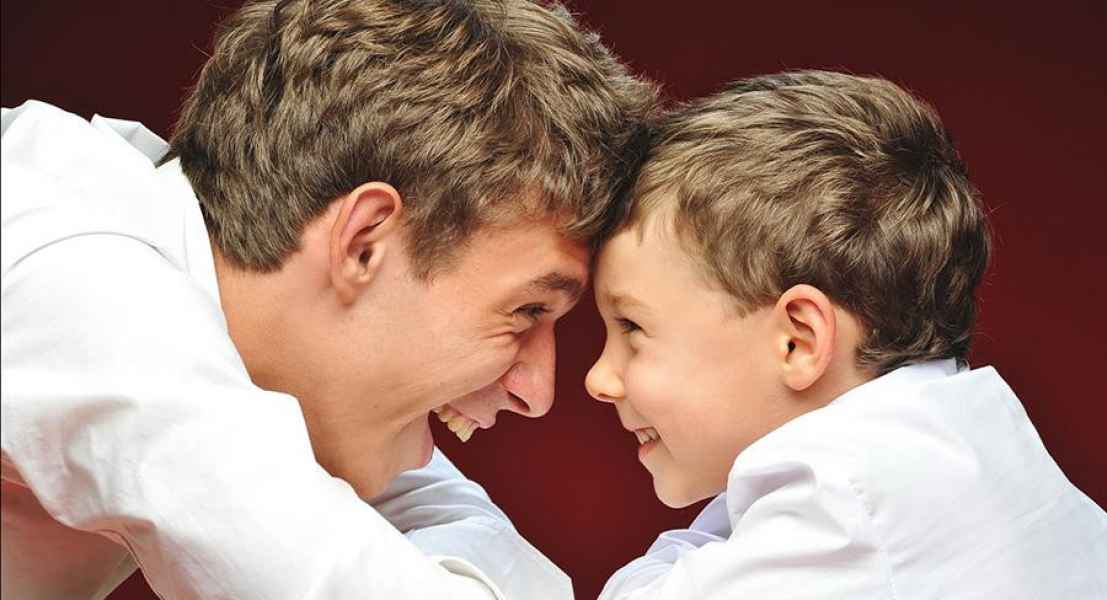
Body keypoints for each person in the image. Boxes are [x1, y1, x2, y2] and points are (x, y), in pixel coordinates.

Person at [0, 1, 655, 598]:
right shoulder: (69, 274)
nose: (535, 392)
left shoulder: (249, 368)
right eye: (526, 311)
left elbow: (478, 544)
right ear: (364, 243)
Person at [585, 70, 1107, 599]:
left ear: (799, 341)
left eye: (632, 327)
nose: (599, 379)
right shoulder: (972, 445)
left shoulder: (844, 507)